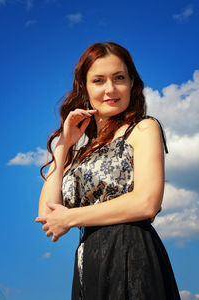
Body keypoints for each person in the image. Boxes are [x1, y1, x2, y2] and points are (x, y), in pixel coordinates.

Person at [35, 42, 180, 300]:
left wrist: (71, 217)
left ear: (132, 83)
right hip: (88, 263)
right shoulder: (80, 152)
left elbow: (146, 203)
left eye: (119, 78)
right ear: (85, 88)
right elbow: (48, 215)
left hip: (132, 254)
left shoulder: (143, 128)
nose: (110, 89)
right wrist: (64, 146)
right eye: (99, 80)